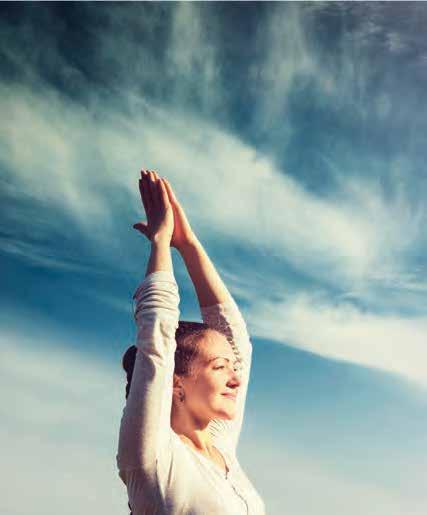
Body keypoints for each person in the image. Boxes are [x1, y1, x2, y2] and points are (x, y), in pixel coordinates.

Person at [116, 169, 266, 514]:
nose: (236, 378)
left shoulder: (220, 446)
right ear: (176, 382)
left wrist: (188, 244)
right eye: (219, 367)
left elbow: (235, 338)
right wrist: (160, 243)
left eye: (231, 368)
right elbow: (157, 334)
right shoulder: (153, 457)